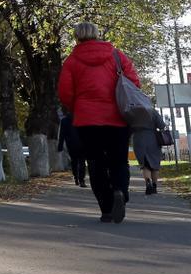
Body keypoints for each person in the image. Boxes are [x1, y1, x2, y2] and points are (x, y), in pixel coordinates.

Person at [57, 21, 141, 223]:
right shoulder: (116, 55)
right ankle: (120, 191)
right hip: (117, 118)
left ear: (77, 36)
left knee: (95, 163)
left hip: (87, 120)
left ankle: (106, 210)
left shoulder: (72, 61)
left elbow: (65, 93)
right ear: (97, 34)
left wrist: (77, 109)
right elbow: (134, 82)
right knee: (119, 161)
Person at [132, 106, 166, 195]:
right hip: (153, 139)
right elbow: (161, 125)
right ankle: (154, 186)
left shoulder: (134, 113)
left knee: (145, 165)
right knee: (154, 164)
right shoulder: (152, 111)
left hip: (138, 139)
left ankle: (148, 182)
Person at [57, 108, 86, 187]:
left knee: (74, 161)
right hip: (82, 144)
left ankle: (76, 178)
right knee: (81, 162)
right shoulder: (82, 118)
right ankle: (81, 180)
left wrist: (60, 146)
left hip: (71, 145)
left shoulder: (64, 121)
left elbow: (62, 135)